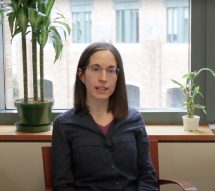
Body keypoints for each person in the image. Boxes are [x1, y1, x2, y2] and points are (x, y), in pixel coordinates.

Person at [52, 42, 159, 191]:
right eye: (95, 69)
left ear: (117, 76)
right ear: (81, 75)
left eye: (110, 70)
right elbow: (63, 186)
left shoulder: (134, 119)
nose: (103, 78)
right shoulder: (64, 124)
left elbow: (147, 177)